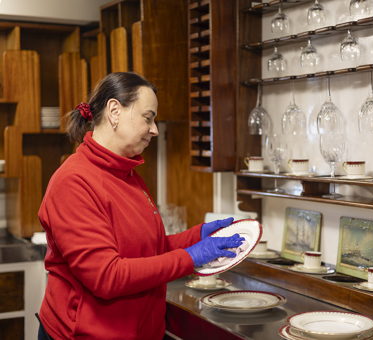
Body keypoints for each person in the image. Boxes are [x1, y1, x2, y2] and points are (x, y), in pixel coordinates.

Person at [37, 72, 244, 340]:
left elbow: (148, 251)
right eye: (148, 118)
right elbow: (107, 276)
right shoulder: (73, 182)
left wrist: (198, 236)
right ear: (114, 111)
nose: (155, 129)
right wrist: (191, 257)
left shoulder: (129, 175)